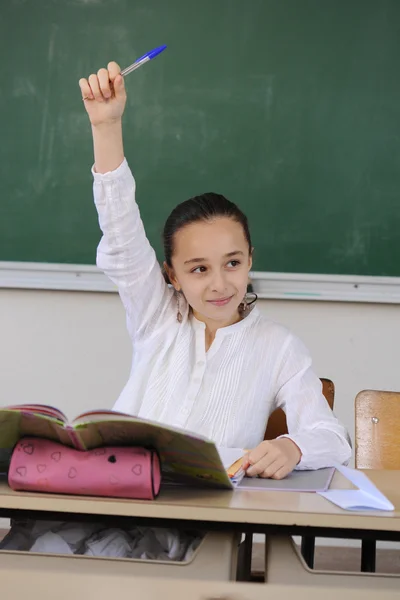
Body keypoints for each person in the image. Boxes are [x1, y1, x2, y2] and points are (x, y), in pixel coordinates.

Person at [77, 61, 351, 480]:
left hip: (202, 519)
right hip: (116, 492)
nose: (220, 284)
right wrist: (106, 126)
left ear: (250, 260)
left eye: (233, 263)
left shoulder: (278, 347)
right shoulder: (156, 315)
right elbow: (120, 230)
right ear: (172, 276)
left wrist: (292, 445)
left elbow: (330, 437)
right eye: (199, 269)